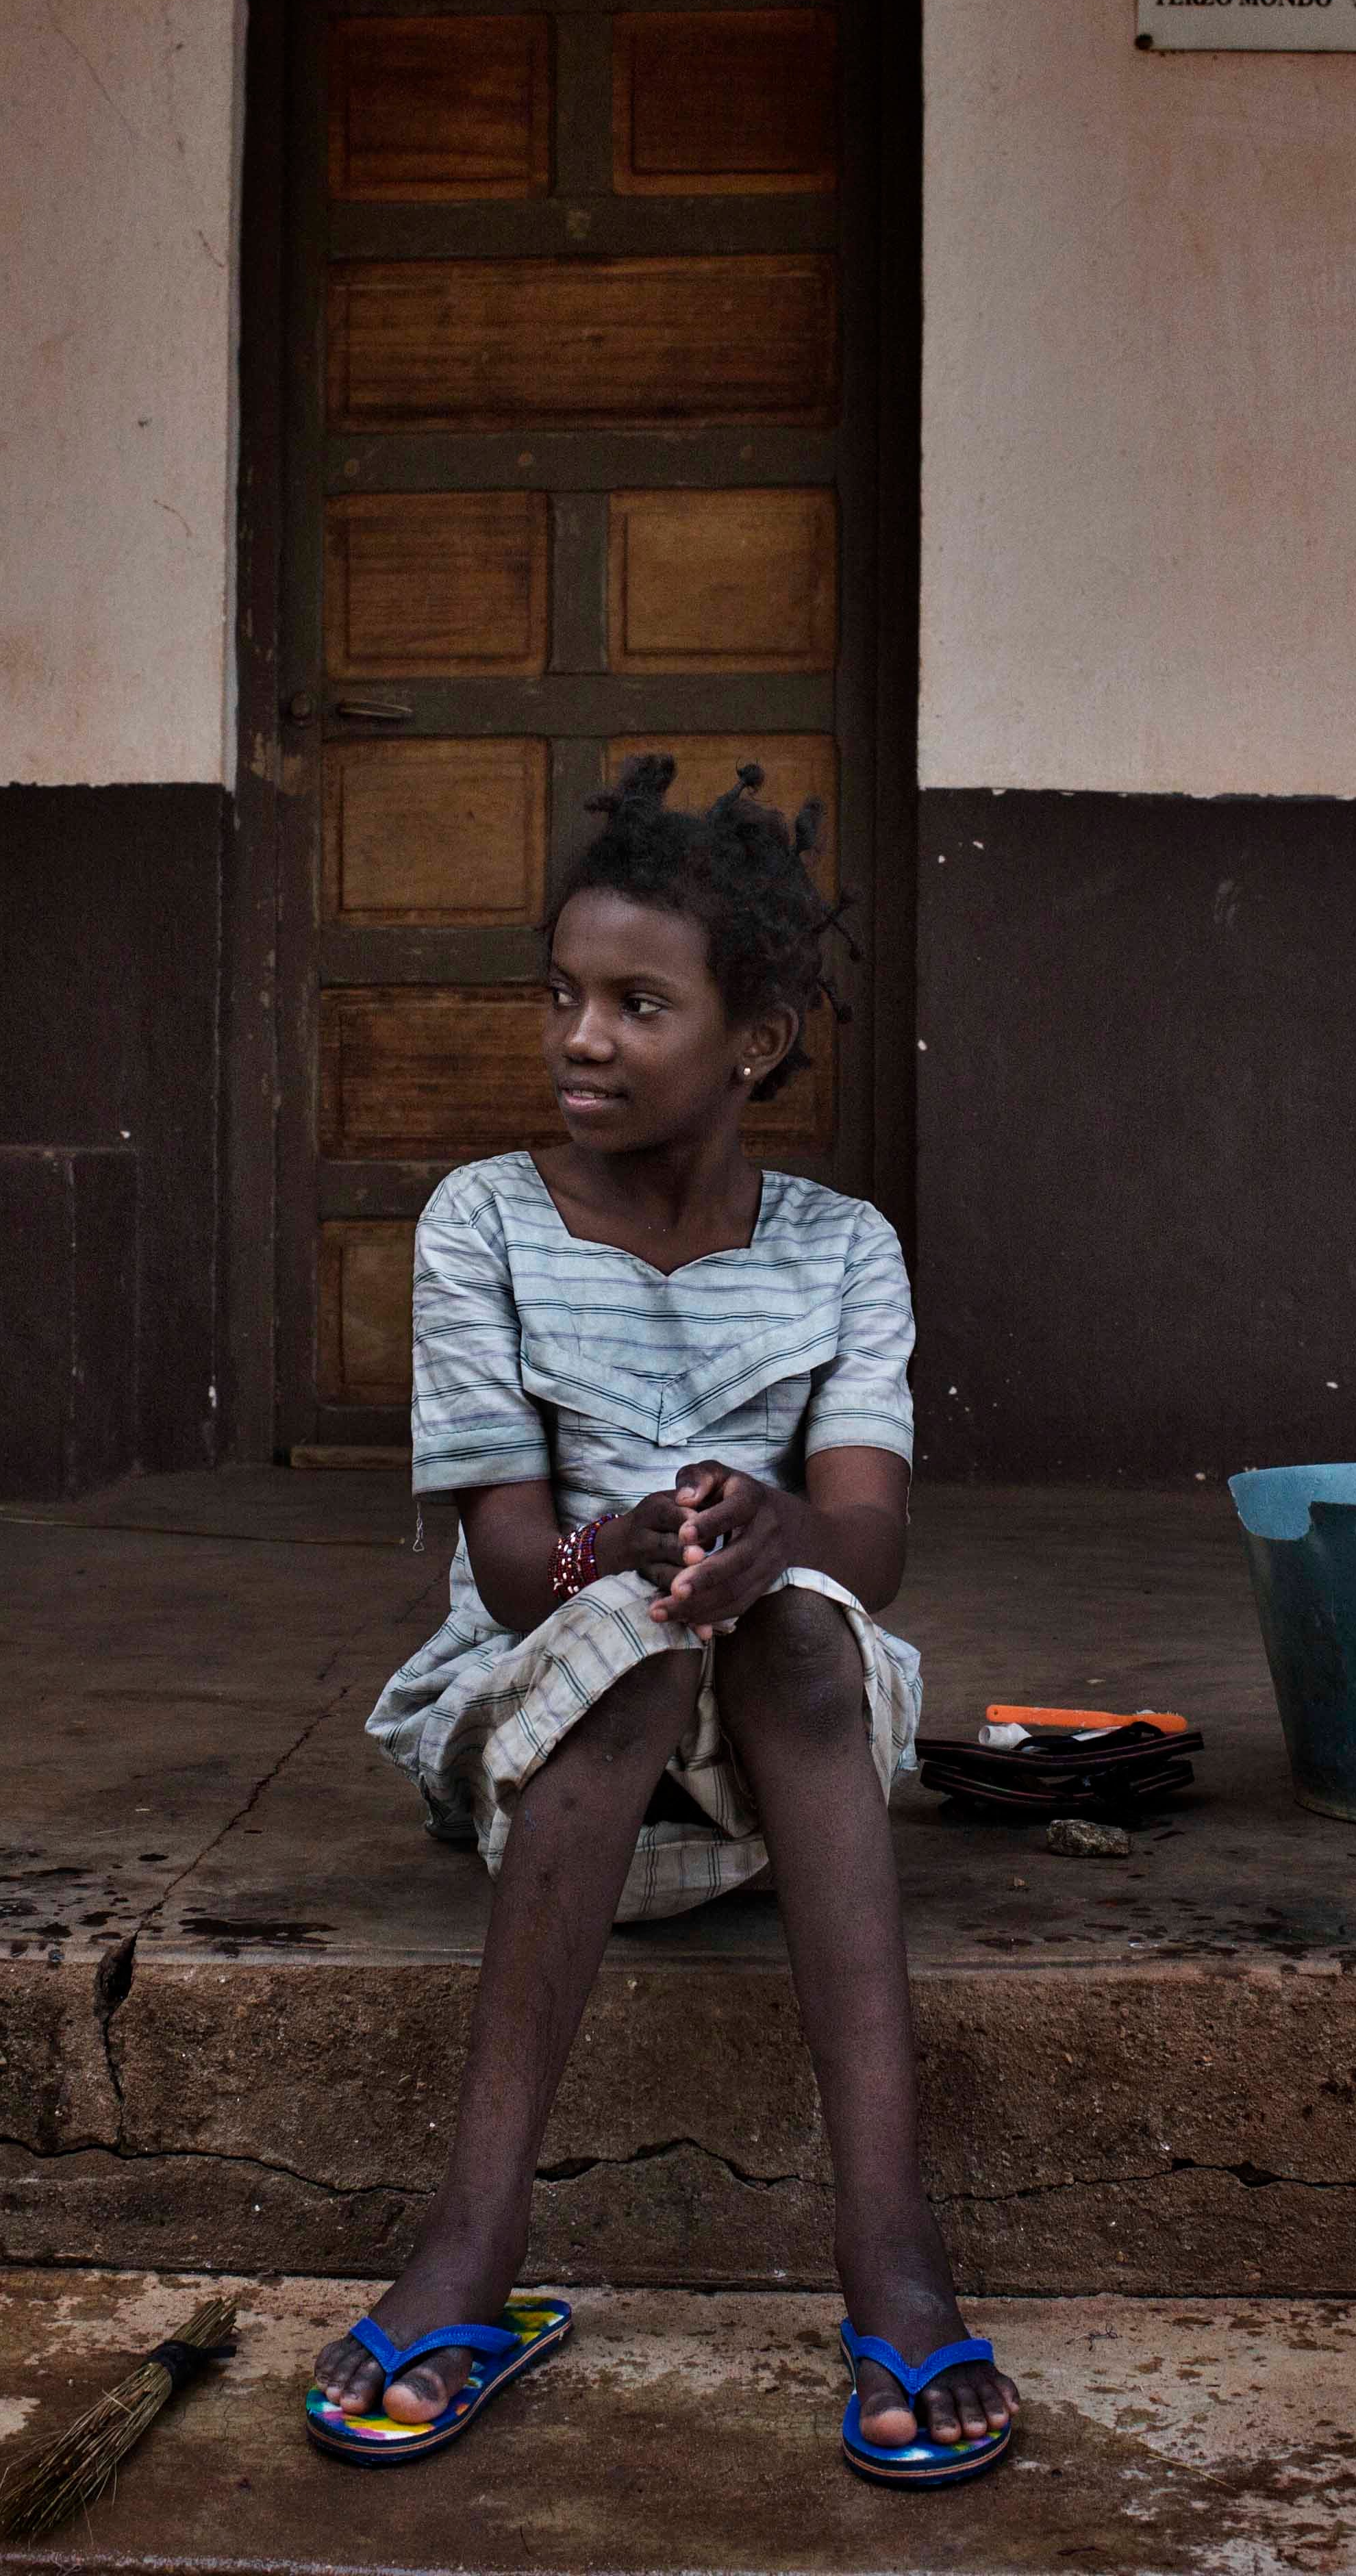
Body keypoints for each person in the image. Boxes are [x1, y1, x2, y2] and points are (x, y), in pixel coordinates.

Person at [304, 757, 1020, 2489]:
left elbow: (875, 1535)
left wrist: (771, 1537)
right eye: (563, 996)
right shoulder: (480, 1222)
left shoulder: (845, 1250)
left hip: (770, 1762)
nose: (582, 1039)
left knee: (801, 1626)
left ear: (753, 1039)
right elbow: (503, 1569)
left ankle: (893, 2257)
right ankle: (470, 2255)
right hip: (543, 1721)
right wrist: (623, 1546)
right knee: (633, 1635)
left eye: (639, 1004)